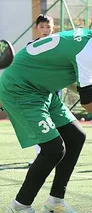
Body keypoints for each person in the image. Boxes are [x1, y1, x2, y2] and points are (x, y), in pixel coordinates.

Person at [0, 11, 92, 213]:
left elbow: (57, 66)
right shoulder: (87, 51)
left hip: (41, 89)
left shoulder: (86, 39)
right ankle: (20, 206)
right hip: (21, 90)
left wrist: (88, 91)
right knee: (53, 148)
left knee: (76, 136)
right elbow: (88, 104)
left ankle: (55, 202)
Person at [28, 14, 56, 167]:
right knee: (38, 124)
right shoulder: (30, 47)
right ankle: (40, 155)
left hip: (52, 91)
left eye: (48, 27)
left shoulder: (59, 45)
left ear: (53, 28)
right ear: (37, 28)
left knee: (54, 123)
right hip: (35, 92)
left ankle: (56, 154)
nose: (45, 30)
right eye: (42, 26)